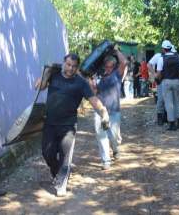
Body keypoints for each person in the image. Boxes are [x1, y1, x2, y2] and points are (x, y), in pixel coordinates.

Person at [35, 53, 109, 197]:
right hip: (50, 122)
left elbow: (93, 100)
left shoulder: (81, 83)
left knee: (65, 156)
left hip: (68, 125)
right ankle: (58, 174)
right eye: (68, 65)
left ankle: (62, 183)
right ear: (64, 63)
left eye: (74, 66)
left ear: (77, 67)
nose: (70, 69)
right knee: (47, 153)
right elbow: (39, 87)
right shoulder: (54, 75)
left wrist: (103, 112)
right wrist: (46, 74)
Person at [89, 48, 127, 170]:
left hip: (114, 111)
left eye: (111, 66)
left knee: (113, 138)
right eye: (106, 66)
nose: (108, 68)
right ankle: (106, 161)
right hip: (100, 111)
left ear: (115, 66)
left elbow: (124, 62)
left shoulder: (117, 74)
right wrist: (91, 83)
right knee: (101, 135)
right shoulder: (99, 76)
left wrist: (115, 51)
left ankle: (115, 150)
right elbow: (94, 92)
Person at [156, 40, 179, 131]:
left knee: (169, 103)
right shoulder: (178, 56)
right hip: (177, 81)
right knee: (178, 102)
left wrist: (158, 80)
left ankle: (172, 124)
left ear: (164, 49)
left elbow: (159, 73)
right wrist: (178, 76)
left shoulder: (162, 58)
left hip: (166, 81)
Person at [148, 50, 166, 125]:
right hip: (161, 80)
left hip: (167, 79)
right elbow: (149, 64)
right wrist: (154, 74)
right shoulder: (158, 56)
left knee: (165, 99)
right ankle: (160, 118)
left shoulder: (171, 55)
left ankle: (165, 117)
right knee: (161, 99)